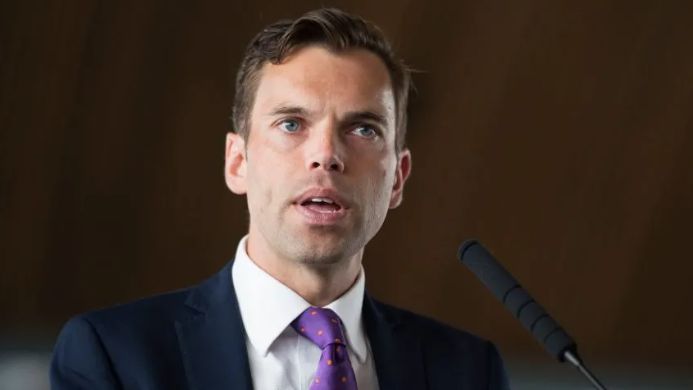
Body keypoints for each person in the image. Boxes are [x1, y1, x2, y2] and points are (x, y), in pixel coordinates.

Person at [51, 8, 509, 390]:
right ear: (238, 162)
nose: (327, 155)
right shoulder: (112, 358)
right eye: (292, 124)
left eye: (363, 129)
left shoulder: (470, 373)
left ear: (398, 179)